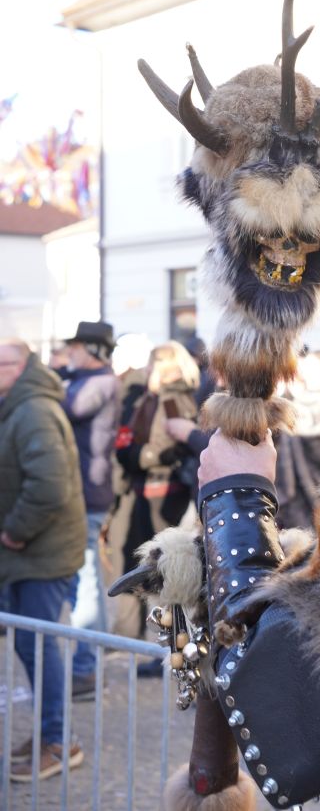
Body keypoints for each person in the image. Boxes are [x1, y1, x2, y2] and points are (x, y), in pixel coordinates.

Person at [0, 339, 86, 781]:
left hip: (40, 552)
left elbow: (49, 485)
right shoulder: (18, 404)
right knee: (30, 645)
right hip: (31, 553)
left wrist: (15, 531)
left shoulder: (32, 408)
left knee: (39, 647)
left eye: (3, 364)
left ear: (22, 366)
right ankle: (50, 733)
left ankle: (59, 740)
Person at [115, 340, 200, 670]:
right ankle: (164, 643)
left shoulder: (170, 401)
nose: (147, 370)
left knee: (164, 571)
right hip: (151, 488)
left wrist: (141, 456)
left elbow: (170, 447)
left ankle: (171, 648)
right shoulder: (160, 398)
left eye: (153, 364)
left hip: (163, 491)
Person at [59, 320, 121, 700]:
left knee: (85, 582)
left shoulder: (98, 383)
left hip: (89, 491)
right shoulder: (89, 378)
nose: (70, 354)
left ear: (94, 350)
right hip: (85, 490)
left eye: (77, 347)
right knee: (85, 580)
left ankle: (87, 668)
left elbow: (72, 407)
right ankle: (88, 666)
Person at [276, 349, 320, 529]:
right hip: (293, 481)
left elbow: (319, 434)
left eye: (312, 367)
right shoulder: (295, 396)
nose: (305, 372)